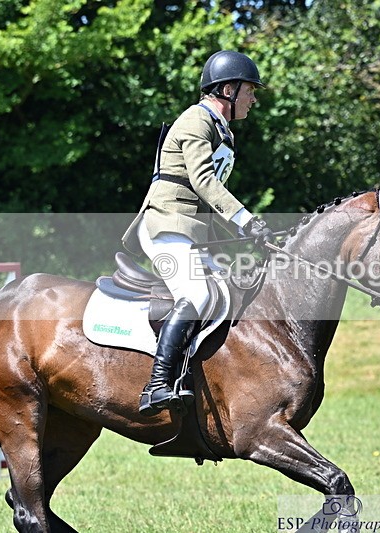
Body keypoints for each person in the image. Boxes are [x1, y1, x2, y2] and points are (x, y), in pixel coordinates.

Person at [122, 50, 273, 416]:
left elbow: (208, 201)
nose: (253, 99)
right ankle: (156, 385)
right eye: (249, 90)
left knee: (229, 293)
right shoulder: (196, 120)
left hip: (191, 231)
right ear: (226, 89)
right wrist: (246, 219)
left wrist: (251, 235)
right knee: (198, 294)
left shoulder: (223, 132)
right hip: (165, 223)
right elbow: (203, 181)